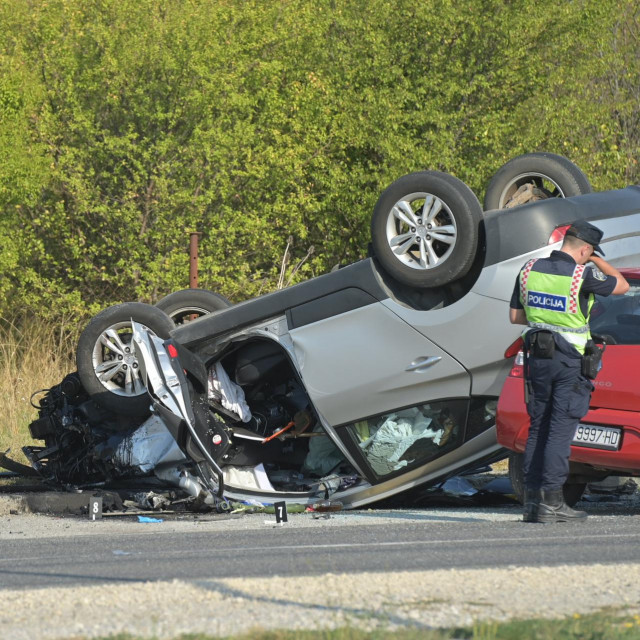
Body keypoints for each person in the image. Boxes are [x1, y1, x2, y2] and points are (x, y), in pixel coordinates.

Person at [509, 219, 629, 523]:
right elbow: (622, 285)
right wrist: (597, 259)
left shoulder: (528, 270)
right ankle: (553, 501)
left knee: (539, 426)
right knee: (560, 430)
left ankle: (533, 503)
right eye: (590, 252)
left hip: (537, 356)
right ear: (585, 249)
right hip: (568, 361)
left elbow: (515, 316)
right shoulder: (582, 275)